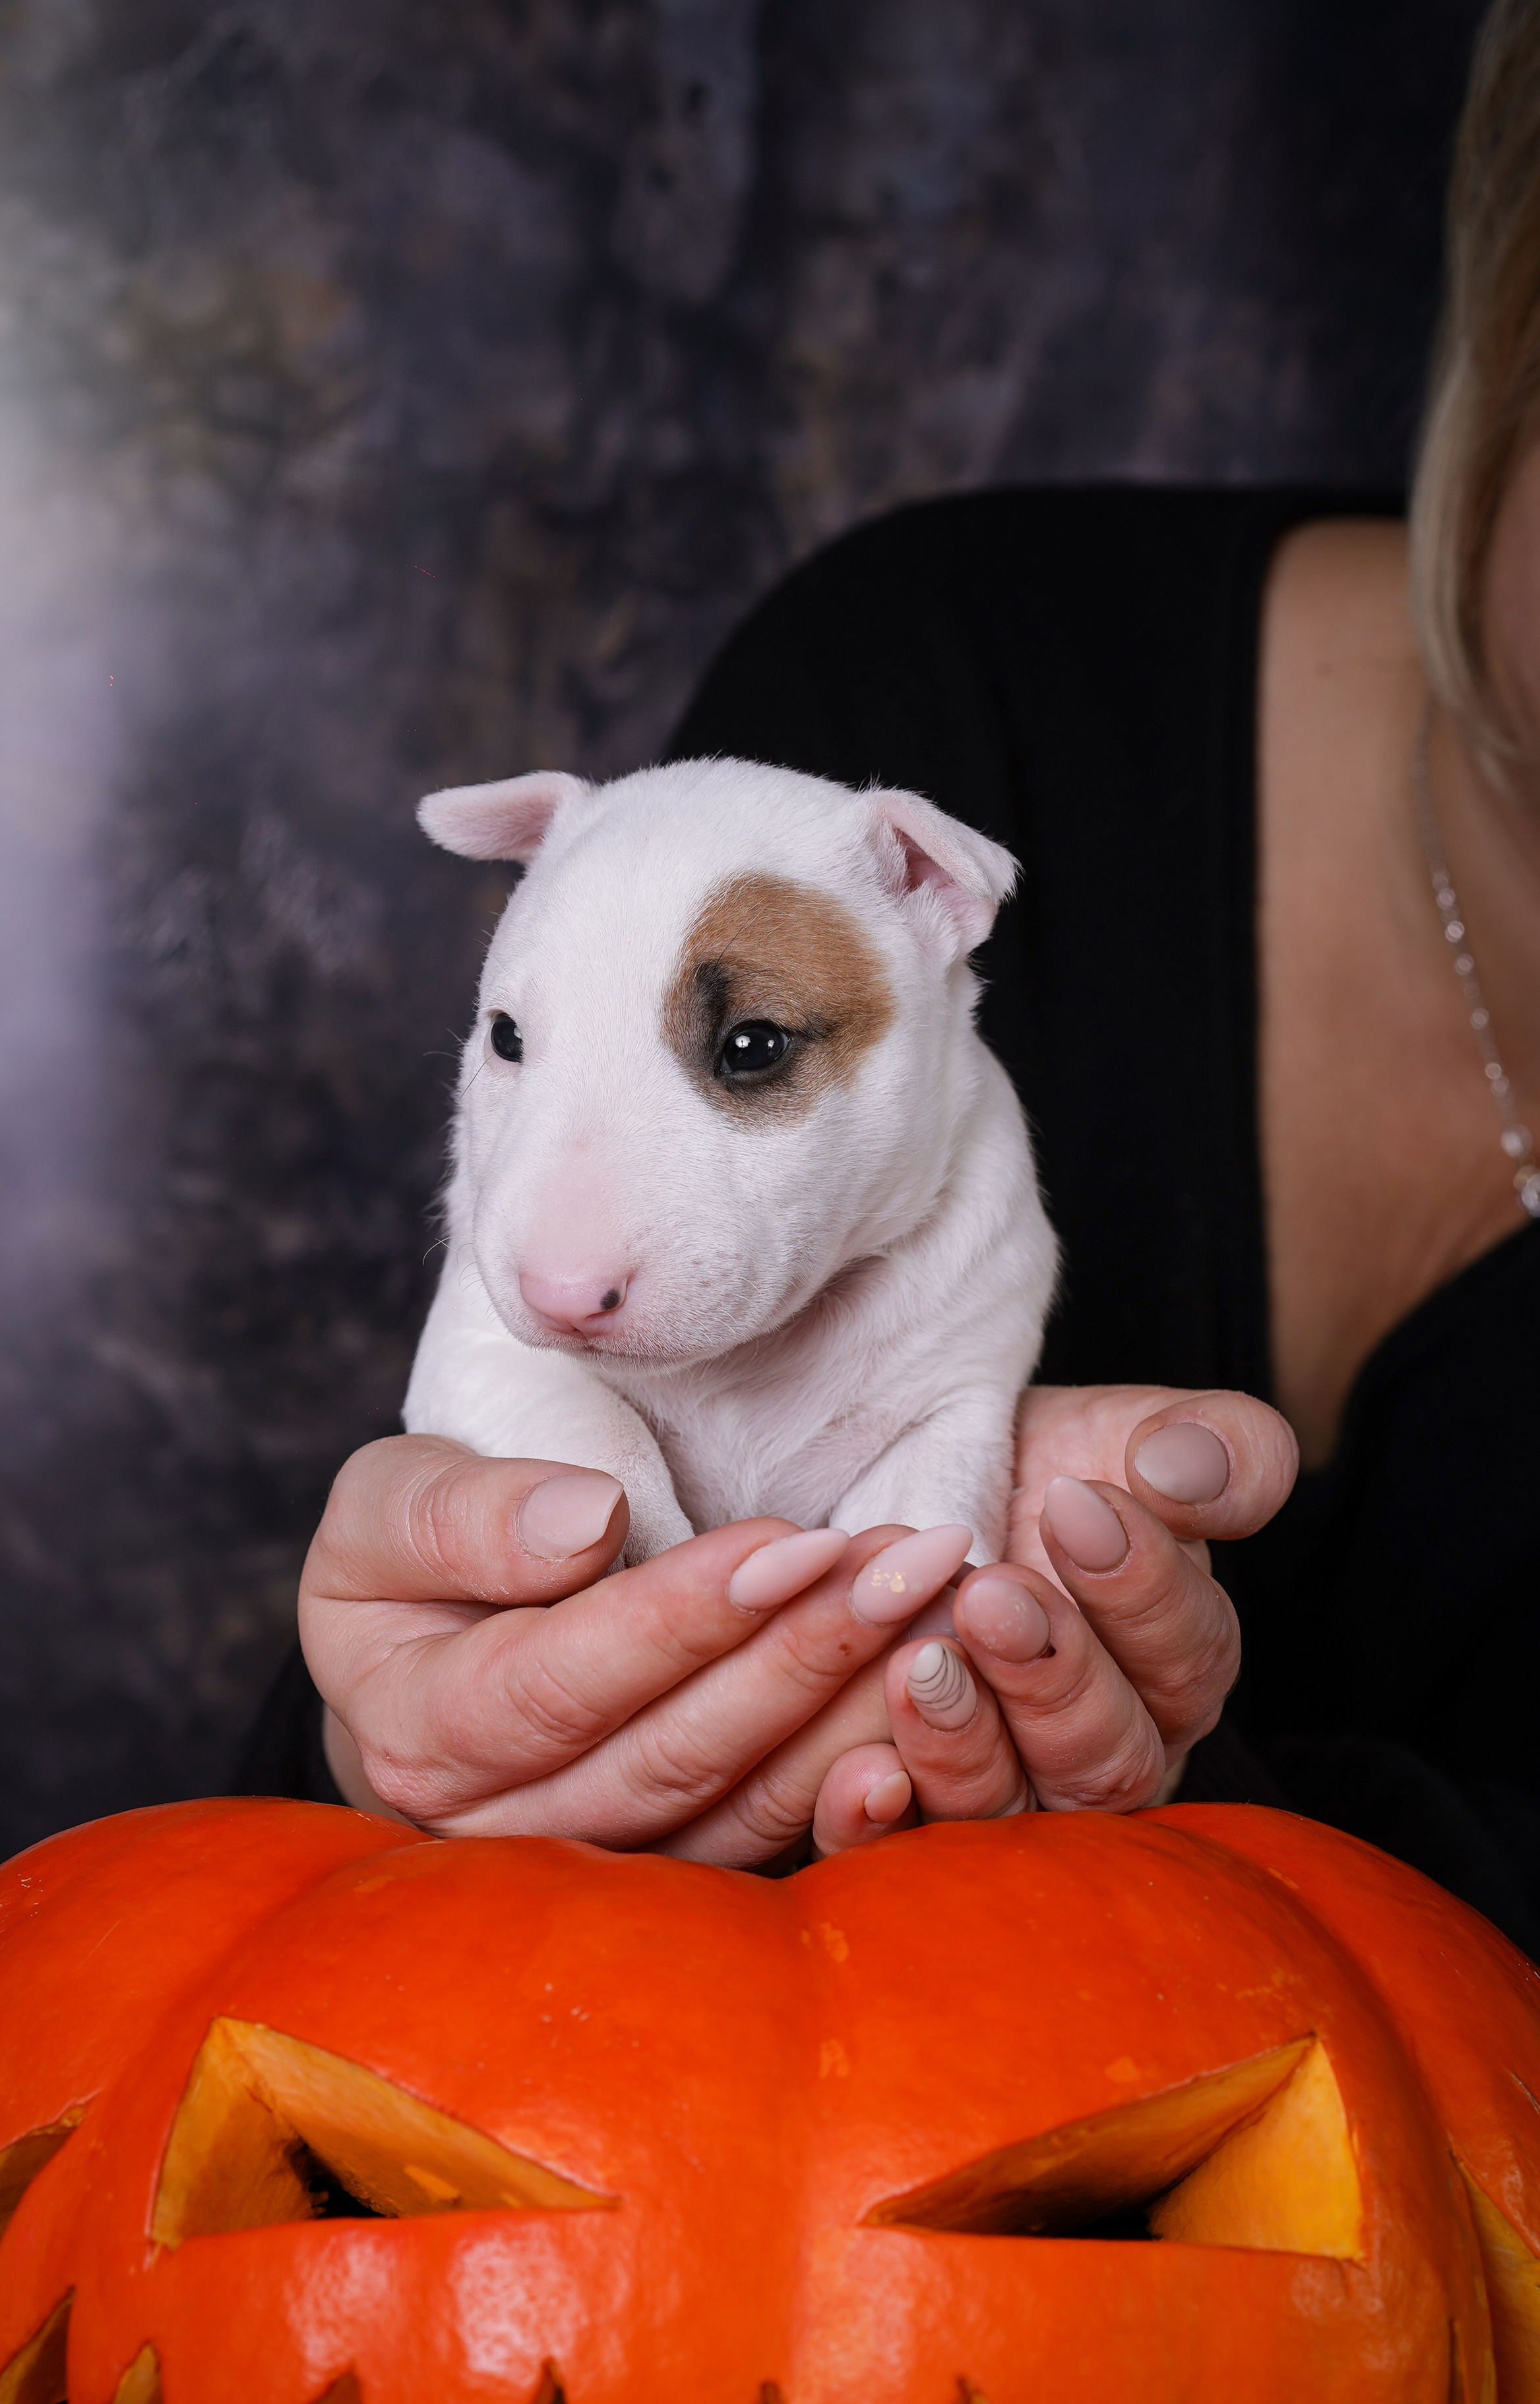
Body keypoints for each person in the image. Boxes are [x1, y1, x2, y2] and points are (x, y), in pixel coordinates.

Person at [244, 0, 1539, 1945]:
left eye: (755, 1049)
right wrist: (433, 1716)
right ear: (1514, 315)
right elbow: (312, 1908)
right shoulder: (904, 713)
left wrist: (1149, 1796)